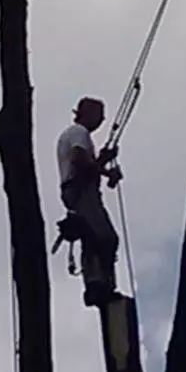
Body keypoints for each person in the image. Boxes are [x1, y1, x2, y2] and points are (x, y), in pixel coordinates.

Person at [57, 97, 122, 306]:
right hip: (81, 191)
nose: (102, 119)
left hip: (76, 191)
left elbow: (85, 165)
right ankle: (100, 284)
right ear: (87, 113)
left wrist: (103, 165)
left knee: (92, 237)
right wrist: (104, 165)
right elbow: (80, 162)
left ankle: (96, 284)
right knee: (106, 237)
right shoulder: (78, 133)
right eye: (99, 114)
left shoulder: (75, 134)